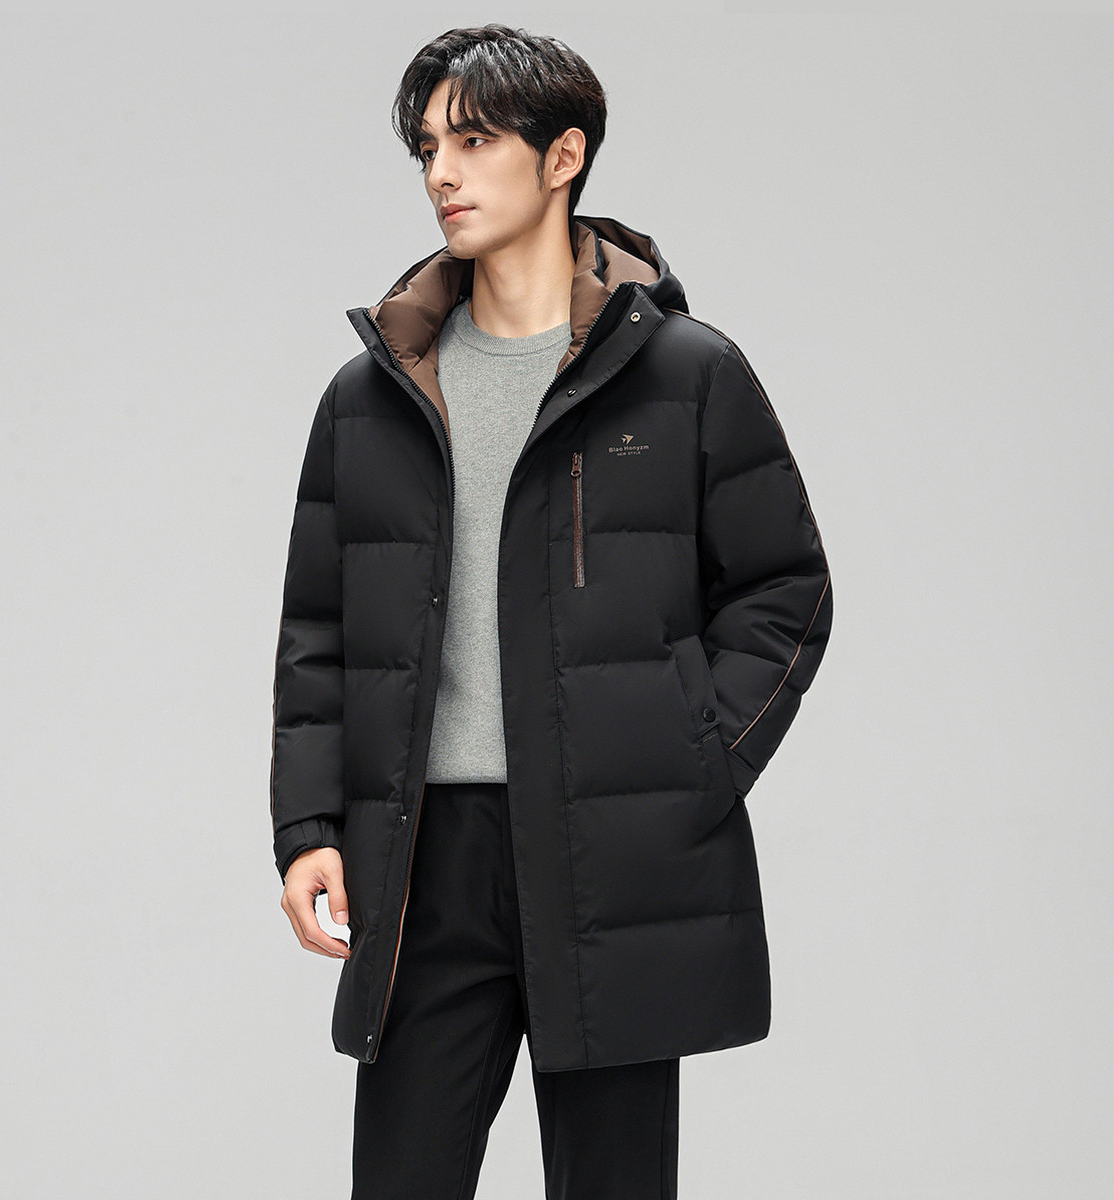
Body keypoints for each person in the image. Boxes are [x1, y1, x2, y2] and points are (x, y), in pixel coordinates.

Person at [269, 22, 833, 1200]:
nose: (442, 173)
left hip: (614, 854)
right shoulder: (372, 396)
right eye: (428, 147)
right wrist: (310, 826)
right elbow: (319, 629)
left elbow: (786, 587)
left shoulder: (686, 375)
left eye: (474, 141)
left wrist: (692, 759)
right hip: (428, 861)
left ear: (563, 154)